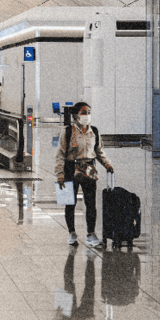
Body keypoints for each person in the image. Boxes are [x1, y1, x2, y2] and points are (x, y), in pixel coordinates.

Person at [55, 101, 113, 247]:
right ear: (76, 116)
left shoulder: (94, 131)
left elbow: (99, 151)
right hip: (70, 168)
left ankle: (91, 234)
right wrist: (60, 174)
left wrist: (107, 164)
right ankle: (72, 233)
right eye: (84, 113)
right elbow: (60, 154)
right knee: (70, 203)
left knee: (90, 203)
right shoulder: (68, 132)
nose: (87, 115)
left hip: (89, 168)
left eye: (88, 112)